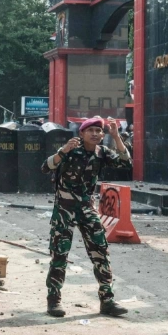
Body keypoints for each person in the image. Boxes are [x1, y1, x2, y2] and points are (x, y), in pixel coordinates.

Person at [41, 116, 132, 318]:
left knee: (101, 252)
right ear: (81, 133)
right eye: (90, 130)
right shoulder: (71, 149)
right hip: (65, 208)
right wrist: (63, 151)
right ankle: (54, 300)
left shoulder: (102, 153)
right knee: (60, 254)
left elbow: (126, 164)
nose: (95, 134)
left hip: (87, 207)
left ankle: (107, 301)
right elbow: (46, 167)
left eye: (99, 131)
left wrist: (116, 137)